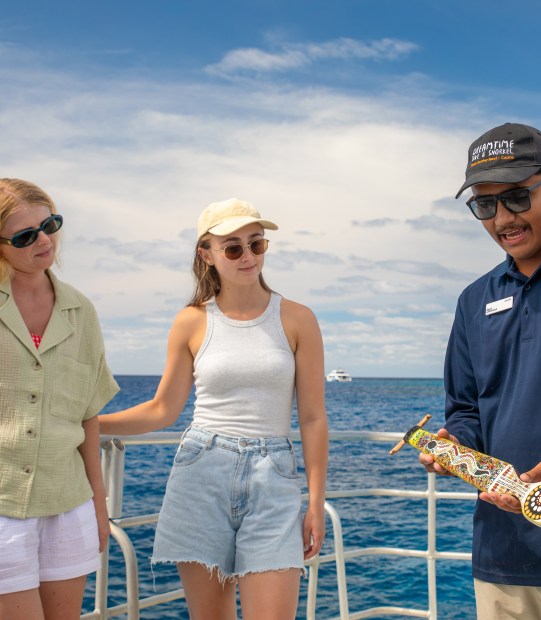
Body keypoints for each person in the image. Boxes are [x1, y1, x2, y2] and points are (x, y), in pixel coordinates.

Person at [419, 123, 541, 619]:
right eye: (484, 206)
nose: (502, 218)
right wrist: (454, 446)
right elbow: (467, 408)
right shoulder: (473, 300)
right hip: (500, 559)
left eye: (514, 198)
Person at [98, 198, 328, 620]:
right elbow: (163, 409)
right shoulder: (190, 321)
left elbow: (313, 417)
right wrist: (87, 424)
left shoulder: (297, 318)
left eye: (256, 244)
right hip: (200, 471)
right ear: (206, 254)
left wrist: (315, 502)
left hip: (273, 475)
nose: (248, 256)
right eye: (233, 247)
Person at [0, 179, 119, 619]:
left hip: (69, 506)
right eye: (25, 236)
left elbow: (88, 417)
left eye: (49, 225)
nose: (44, 240)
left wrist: (98, 505)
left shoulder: (80, 310)